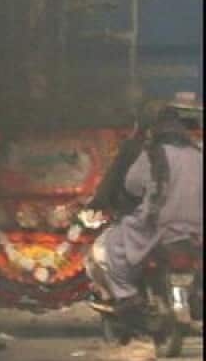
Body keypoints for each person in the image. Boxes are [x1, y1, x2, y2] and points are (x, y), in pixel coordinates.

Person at [85, 102, 203, 313]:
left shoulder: (151, 153)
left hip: (161, 228)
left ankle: (127, 295)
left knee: (112, 246)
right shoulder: (198, 154)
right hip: (198, 229)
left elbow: (131, 186)